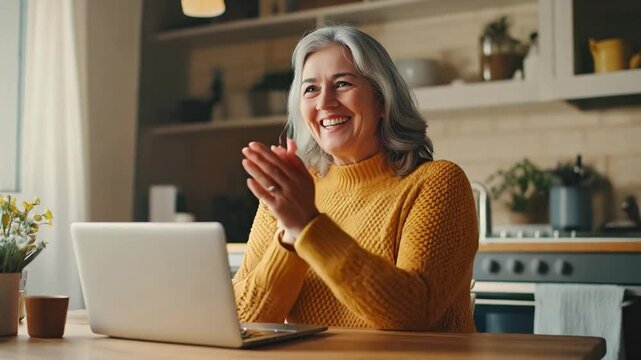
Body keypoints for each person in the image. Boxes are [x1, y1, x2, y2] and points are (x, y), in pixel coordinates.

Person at [234, 25, 478, 332]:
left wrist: (307, 225)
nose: (324, 102)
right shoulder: (290, 192)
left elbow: (413, 312)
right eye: (310, 89)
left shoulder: (437, 183)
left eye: (342, 83)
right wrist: (289, 237)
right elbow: (243, 319)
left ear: (381, 99)